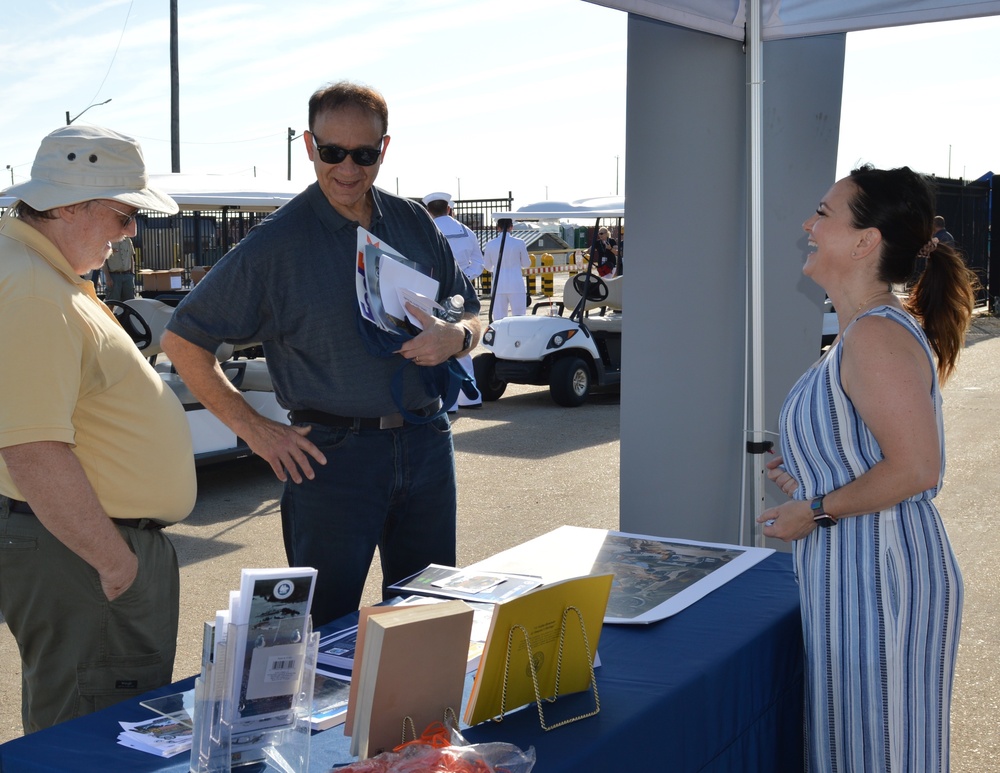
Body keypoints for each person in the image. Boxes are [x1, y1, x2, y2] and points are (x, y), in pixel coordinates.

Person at [161, 81, 481, 628]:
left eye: (363, 154)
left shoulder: (414, 222)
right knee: (322, 631)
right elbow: (183, 341)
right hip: (333, 459)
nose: (347, 169)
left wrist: (459, 337)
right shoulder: (274, 246)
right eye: (332, 152)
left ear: (384, 149)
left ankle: (418, 719)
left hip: (427, 442)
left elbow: (472, 311)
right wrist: (258, 432)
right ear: (310, 146)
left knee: (429, 618)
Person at [758, 165, 975, 772]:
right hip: (862, 572)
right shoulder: (865, 332)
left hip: (882, 579)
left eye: (823, 213)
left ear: (865, 240)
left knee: (879, 754)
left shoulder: (874, 336)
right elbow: (877, 455)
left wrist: (814, 508)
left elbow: (916, 469)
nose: (808, 224)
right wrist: (809, 471)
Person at [0, 125, 196, 733]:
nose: (132, 231)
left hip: (79, 546)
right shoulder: (33, 288)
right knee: (97, 734)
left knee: (87, 721)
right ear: (67, 207)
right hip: (86, 551)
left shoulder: (39, 273)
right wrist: (116, 565)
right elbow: (32, 445)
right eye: (123, 214)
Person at [423, 191, 483, 409]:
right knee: (462, 339)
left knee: (438, 340)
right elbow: (479, 262)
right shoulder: (465, 231)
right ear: (448, 208)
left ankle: (449, 401)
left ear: (429, 210)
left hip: (435, 292)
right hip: (462, 293)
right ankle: (471, 395)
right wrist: (465, 279)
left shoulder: (426, 228)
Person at [483, 218, 530, 319]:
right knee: (519, 318)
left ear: (498, 228)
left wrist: (494, 269)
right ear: (511, 227)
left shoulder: (490, 244)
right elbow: (526, 264)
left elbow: (487, 266)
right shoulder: (520, 242)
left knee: (499, 319)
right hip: (516, 284)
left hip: (498, 286)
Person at [102, 234, 136, 301]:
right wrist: (108, 278)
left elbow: (131, 257)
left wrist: (132, 273)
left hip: (127, 275)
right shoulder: (108, 241)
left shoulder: (128, 240)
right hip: (114, 276)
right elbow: (104, 260)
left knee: (130, 302)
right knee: (111, 302)